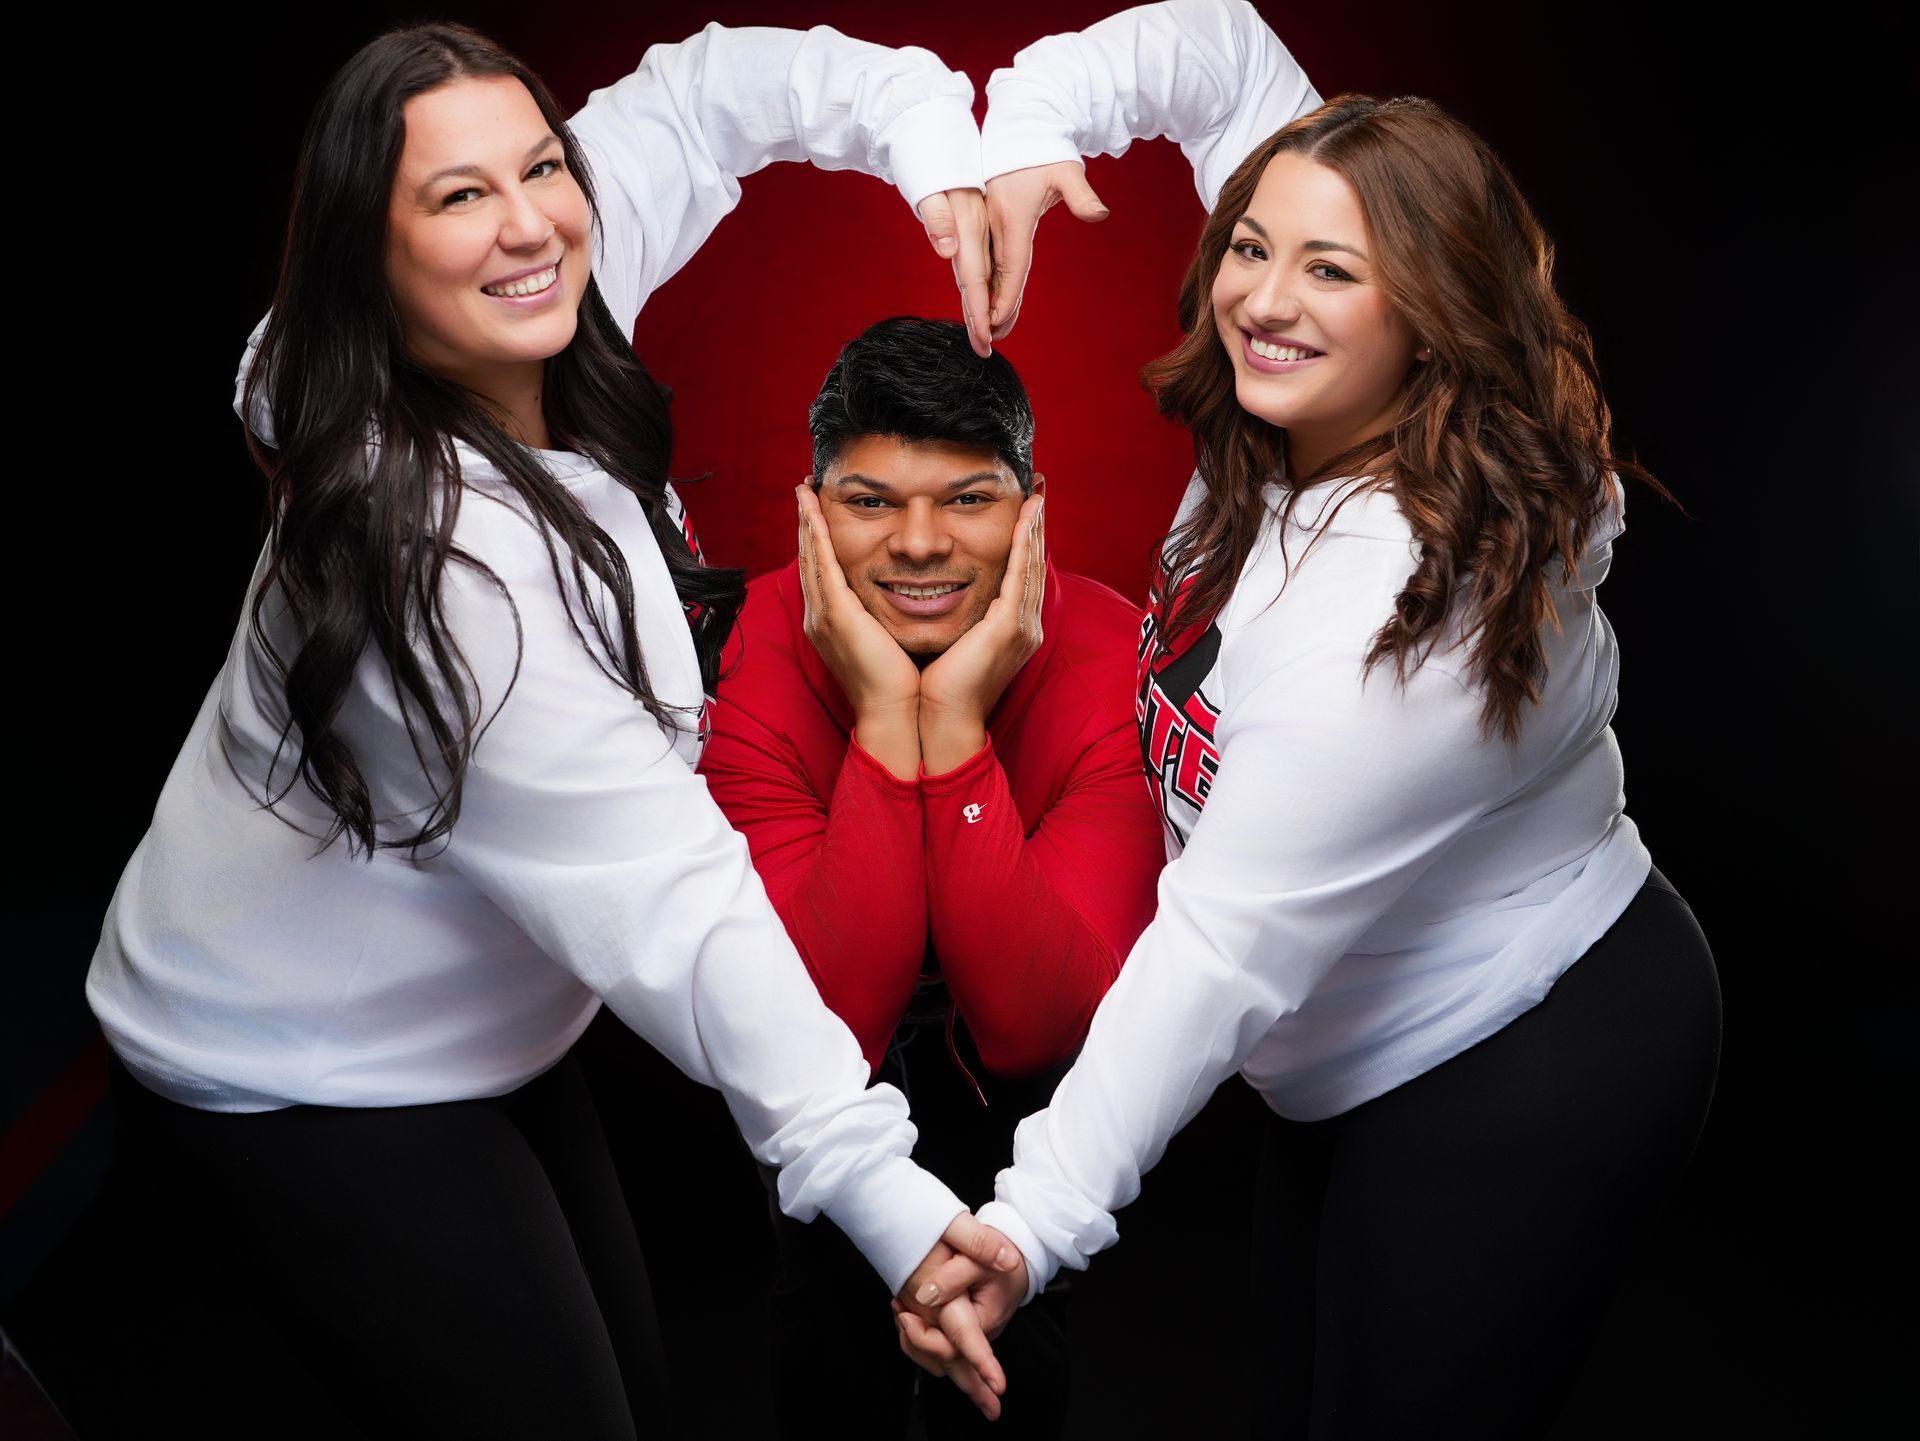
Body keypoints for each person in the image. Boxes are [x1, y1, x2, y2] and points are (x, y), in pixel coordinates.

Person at [81, 20, 1020, 1438]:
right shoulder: (445, 570)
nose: (531, 224)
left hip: (481, 1030)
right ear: (369, 254)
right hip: (291, 1067)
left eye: (542, 165)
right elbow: (678, 899)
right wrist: (890, 1202)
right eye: (459, 195)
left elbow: (701, 100)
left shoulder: (527, 293)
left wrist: (927, 142)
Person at [901, 3, 1723, 1435]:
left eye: (1329, 270)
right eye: (1250, 244)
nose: (1262, 297)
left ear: (1428, 312)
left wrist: (1027, 1222)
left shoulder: (1398, 625)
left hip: (1519, 1047)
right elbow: (1215, 44)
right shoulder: (1309, 388)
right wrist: (1032, 133)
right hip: (1336, 1056)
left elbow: (1217, 951)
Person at [695, 315, 1166, 1436]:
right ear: (811, 510)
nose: (918, 543)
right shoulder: (740, 658)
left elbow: (1034, 1020)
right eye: (869, 501)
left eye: (968, 498)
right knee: (825, 1352)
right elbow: (832, 1019)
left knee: (1013, 1376)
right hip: (818, 1104)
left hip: (1031, 1122)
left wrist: (946, 727)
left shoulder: (1109, 656)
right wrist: (877, 716)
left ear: (1032, 511)